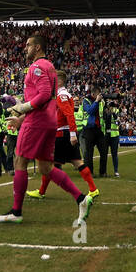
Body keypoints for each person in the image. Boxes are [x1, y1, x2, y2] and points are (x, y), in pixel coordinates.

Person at [0, 34, 96, 225]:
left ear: (38, 47)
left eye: (28, 45)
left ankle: (16, 212)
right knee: (45, 167)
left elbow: (44, 95)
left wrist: (22, 108)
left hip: (38, 122)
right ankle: (82, 199)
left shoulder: (38, 66)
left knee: (19, 161)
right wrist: (22, 118)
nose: (25, 48)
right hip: (47, 121)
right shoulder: (49, 67)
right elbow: (47, 99)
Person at [29, 68, 99, 199]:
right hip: (65, 133)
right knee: (76, 162)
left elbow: (69, 115)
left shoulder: (62, 96)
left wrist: (72, 134)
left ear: (59, 81)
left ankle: (42, 192)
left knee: (49, 164)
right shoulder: (62, 95)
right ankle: (93, 189)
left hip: (62, 134)